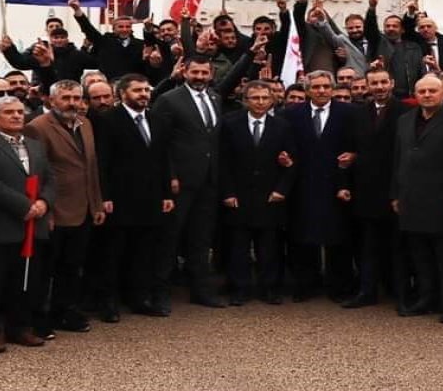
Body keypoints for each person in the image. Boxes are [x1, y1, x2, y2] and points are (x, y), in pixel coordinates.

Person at [0, 96, 55, 353]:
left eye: (19, 112)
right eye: (9, 113)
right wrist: (24, 206)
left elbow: (50, 178)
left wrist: (44, 203)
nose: (17, 116)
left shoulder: (35, 145)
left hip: (32, 226)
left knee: (25, 280)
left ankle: (20, 327)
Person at [25, 81, 105, 333]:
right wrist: (44, 209)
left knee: (72, 266)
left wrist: (97, 203)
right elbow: (36, 171)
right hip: (53, 210)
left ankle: (65, 312)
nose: (72, 103)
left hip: (82, 209)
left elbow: (90, 168)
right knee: (45, 269)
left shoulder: (86, 124)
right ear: (51, 100)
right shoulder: (37, 127)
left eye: (77, 97)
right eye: (66, 98)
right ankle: (38, 317)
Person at [391, 76, 443, 323]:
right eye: (422, 91)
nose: (427, 95)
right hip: (411, 199)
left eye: (432, 91)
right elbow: (397, 159)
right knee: (420, 256)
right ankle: (427, 299)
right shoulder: (405, 121)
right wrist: (395, 194)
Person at [150, 55, 226, 309]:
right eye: (195, 72)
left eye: (205, 73)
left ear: (211, 74)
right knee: (168, 239)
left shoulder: (215, 98)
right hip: (179, 182)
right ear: (184, 71)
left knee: (201, 239)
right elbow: (160, 145)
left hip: (208, 181)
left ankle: (200, 290)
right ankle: (159, 293)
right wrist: (169, 176)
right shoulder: (168, 100)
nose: (200, 78)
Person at [97, 75, 174, 320]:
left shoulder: (157, 119)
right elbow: (102, 162)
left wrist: (166, 193)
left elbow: (163, 160)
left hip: (150, 198)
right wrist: (105, 196)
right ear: (122, 94)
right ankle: (108, 302)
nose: (143, 94)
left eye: (146, 89)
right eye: (137, 90)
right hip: (119, 199)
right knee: (113, 253)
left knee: (144, 252)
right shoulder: (108, 120)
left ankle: (139, 298)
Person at [283, 70, 360, 301]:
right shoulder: (291, 114)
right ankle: (306, 284)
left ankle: (339, 286)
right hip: (303, 183)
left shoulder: (350, 113)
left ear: (333, 88)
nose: (321, 91)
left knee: (338, 238)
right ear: (307, 90)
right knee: (303, 236)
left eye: (326, 86)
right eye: (316, 87)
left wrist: (354, 156)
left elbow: (356, 143)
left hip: (337, 183)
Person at [219, 81, 296, 305]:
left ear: (272, 100)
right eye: (255, 98)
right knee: (238, 246)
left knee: (269, 247)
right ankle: (240, 288)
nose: (260, 102)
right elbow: (223, 162)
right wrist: (227, 192)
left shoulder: (282, 126)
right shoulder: (230, 123)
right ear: (246, 100)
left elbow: (292, 161)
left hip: (270, 196)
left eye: (264, 97)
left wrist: (281, 190)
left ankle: (269, 288)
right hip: (239, 196)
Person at [345, 68, 406, 309]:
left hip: (395, 190)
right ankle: (366, 291)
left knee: (398, 248)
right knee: (367, 246)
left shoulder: (406, 112)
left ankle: (400, 294)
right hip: (366, 190)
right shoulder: (358, 114)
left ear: (391, 83)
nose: (379, 87)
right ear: (367, 86)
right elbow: (350, 149)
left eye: (383, 82)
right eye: (374, 83)